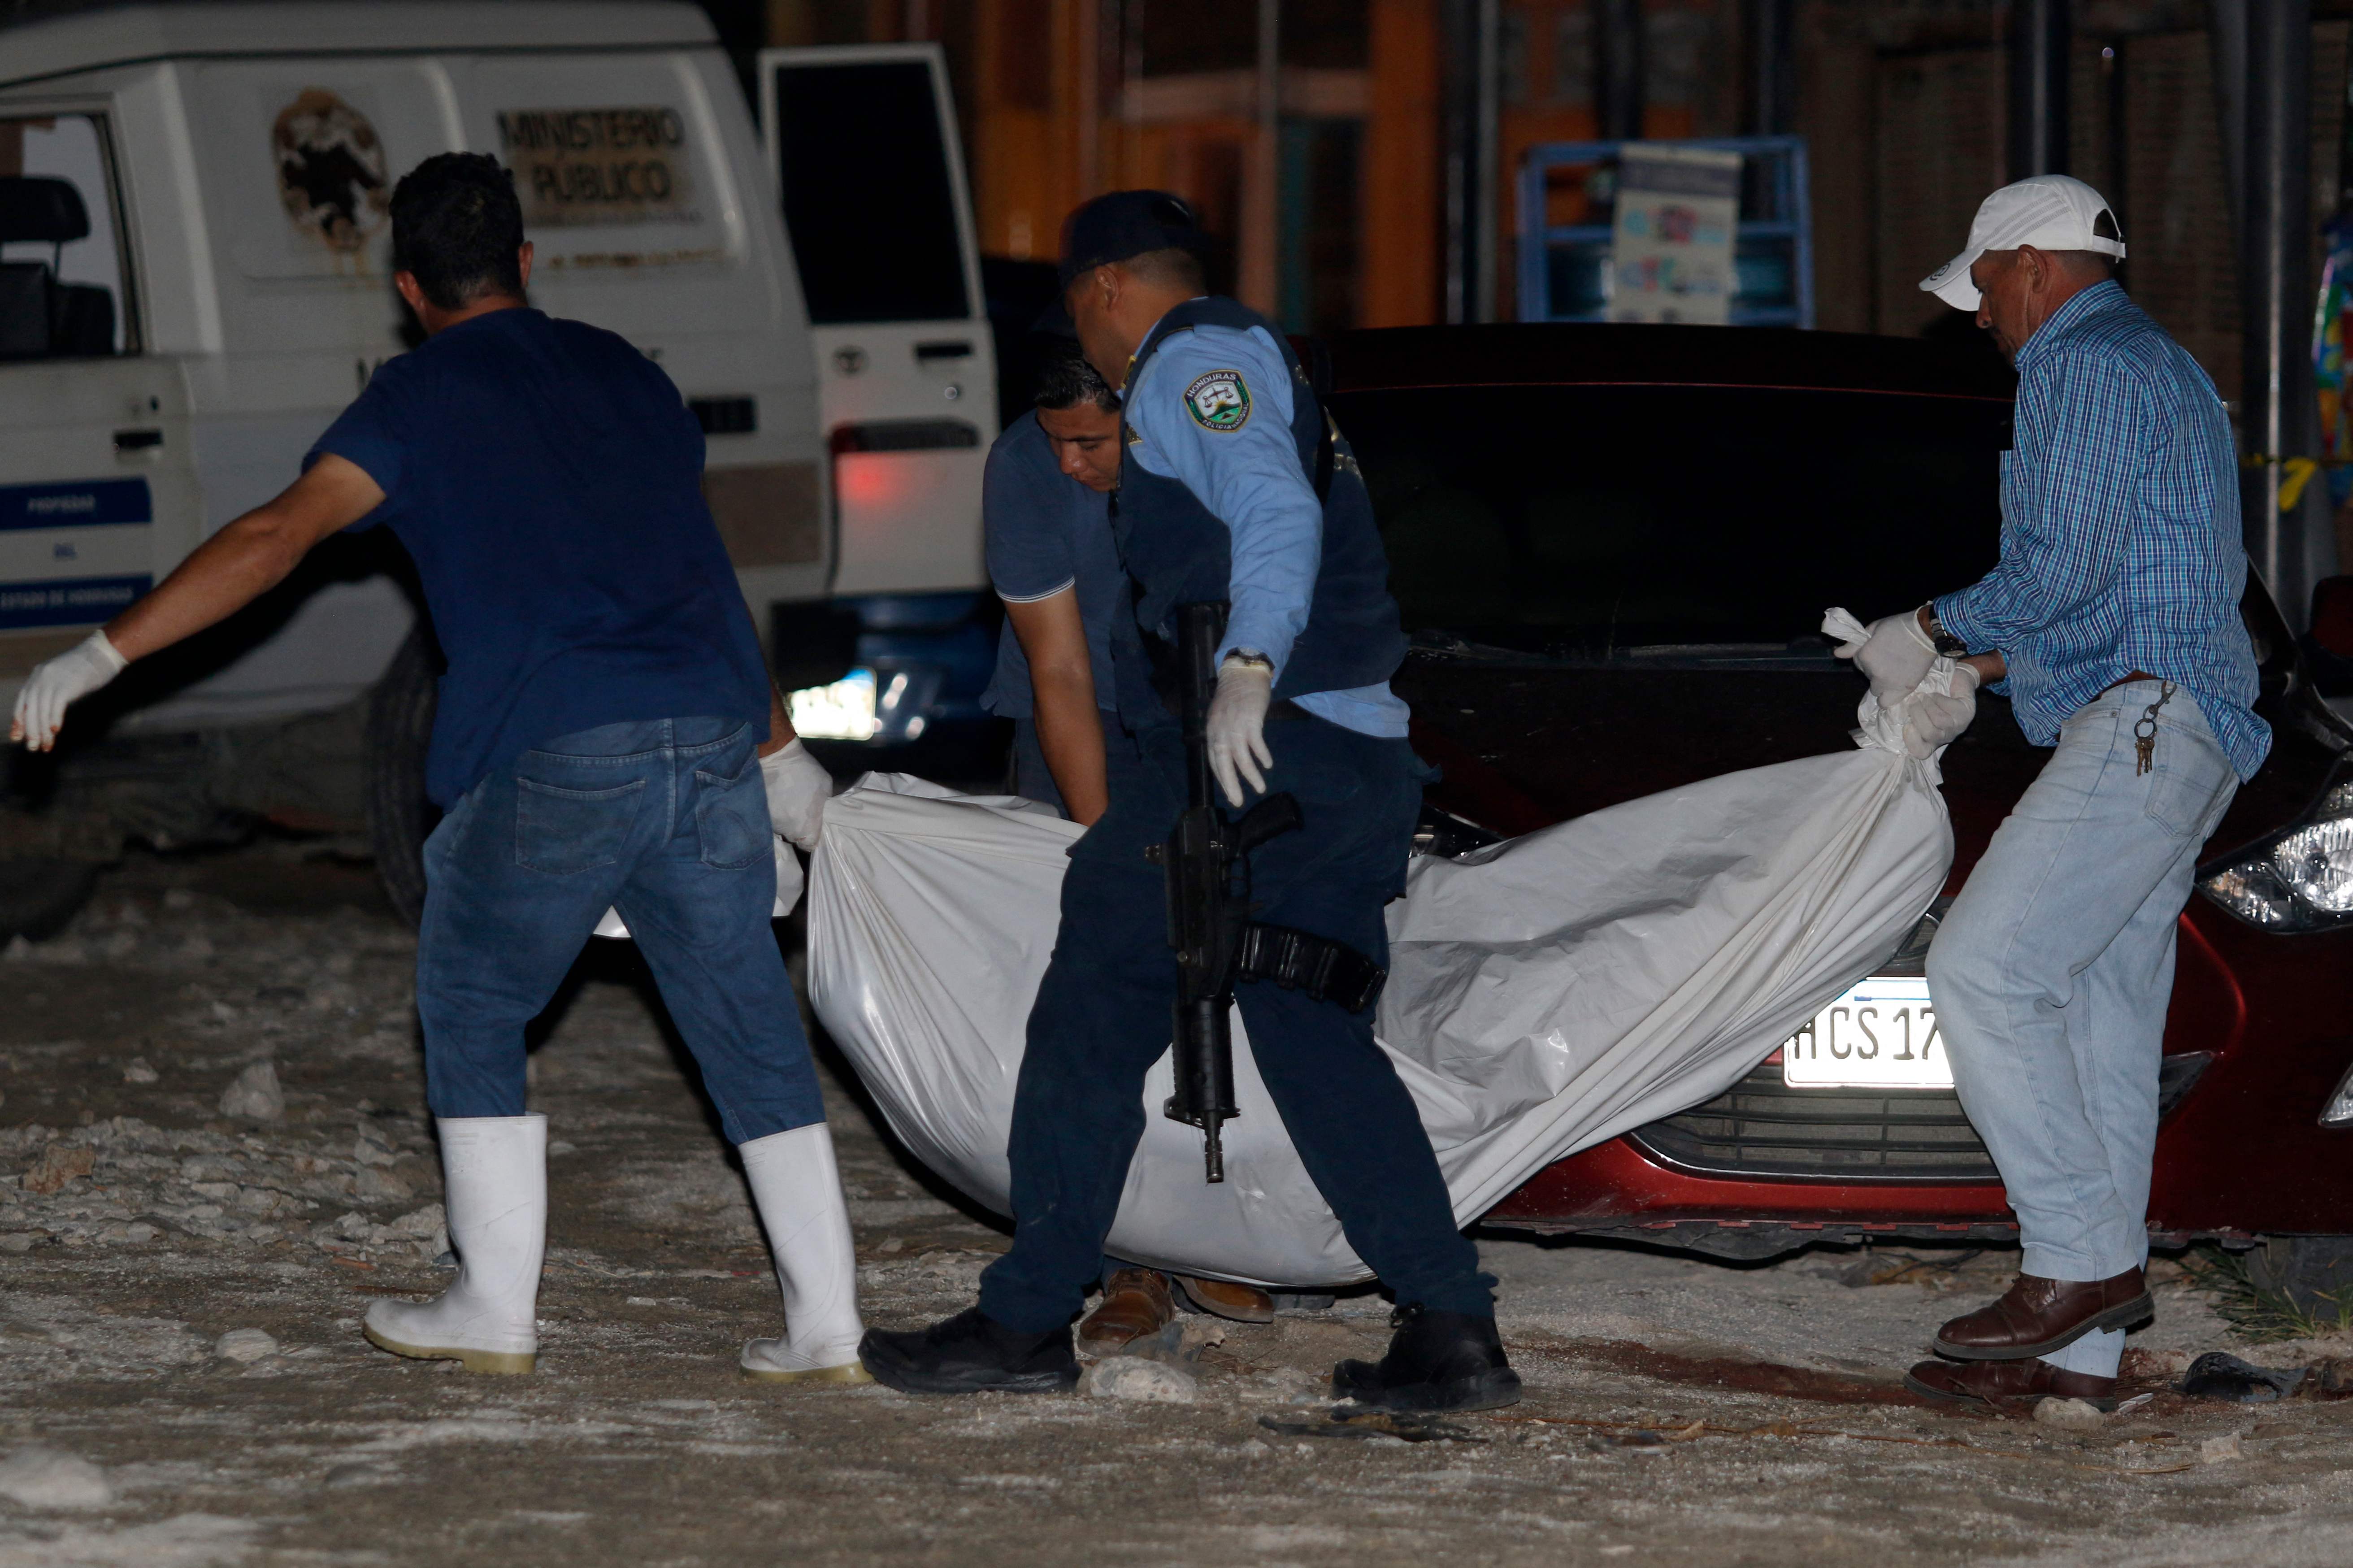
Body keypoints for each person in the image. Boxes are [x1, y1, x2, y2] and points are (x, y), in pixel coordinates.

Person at [9, 153, 867, 1385]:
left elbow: (276, 536)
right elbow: (697, 568)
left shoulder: (414, 398)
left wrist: (103, 652)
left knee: (470, 993)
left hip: (565, 742)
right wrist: (780, 747)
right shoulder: (629, 374)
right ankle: (828, 1325)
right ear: (526, 260)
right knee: (743, 1021)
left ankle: (494, 1306)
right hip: (705, 730)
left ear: (410, 287)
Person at [860, 191, 1519, 1411]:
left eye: (1079, 309)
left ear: (1104, 290)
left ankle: (1026, 1321)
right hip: (1351, 760)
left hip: (1253, 757)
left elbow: (1269, 508)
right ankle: (1451, 1322)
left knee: (1086, 1018)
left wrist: (1250, 669)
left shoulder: (1190, 362)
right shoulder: (1257, 358)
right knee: (1316, 1037)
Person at [1836, 175, 2266, 1411]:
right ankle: (2077, 1365)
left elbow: (2057, 567)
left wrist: (1923, 628)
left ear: (2031, 264)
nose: (1977, 312)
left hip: (2140, 721)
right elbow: (2121, 581)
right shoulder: (2160, 363)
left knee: (1984, 971)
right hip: (2180, 719)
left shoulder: (2080, 364)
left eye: (1979, 283)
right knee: (2100, 1032)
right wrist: (1970, 667)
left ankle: (2073, 1270)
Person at [981, 339, 1287, 1343]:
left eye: (1092, 441)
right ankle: (1128, 1262)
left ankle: (1221, 1236)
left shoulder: (1213, 442)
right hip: (1085, 726)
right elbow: (1060, 677)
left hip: (1217, 717)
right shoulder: (1026, 468)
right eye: (1053, 441)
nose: (1070, 463)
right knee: (1097, 985)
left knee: (1226, 976)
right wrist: (1108, 852)